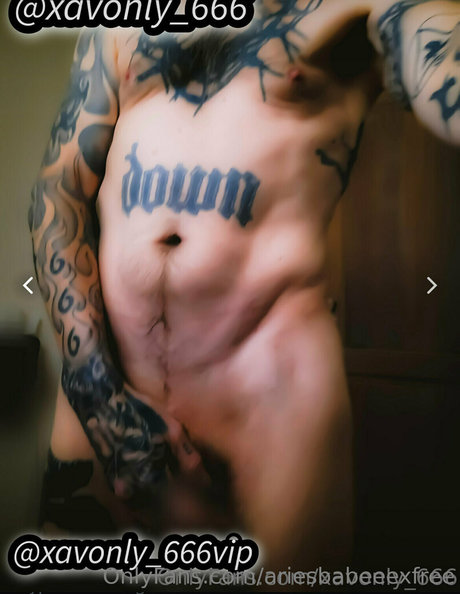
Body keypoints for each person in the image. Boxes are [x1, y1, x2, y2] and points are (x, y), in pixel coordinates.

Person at [30, 0, 460, 568]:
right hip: (107, 377)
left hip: (268, 387)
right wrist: (99, 397)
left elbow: (435, 45)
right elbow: (60, 193)